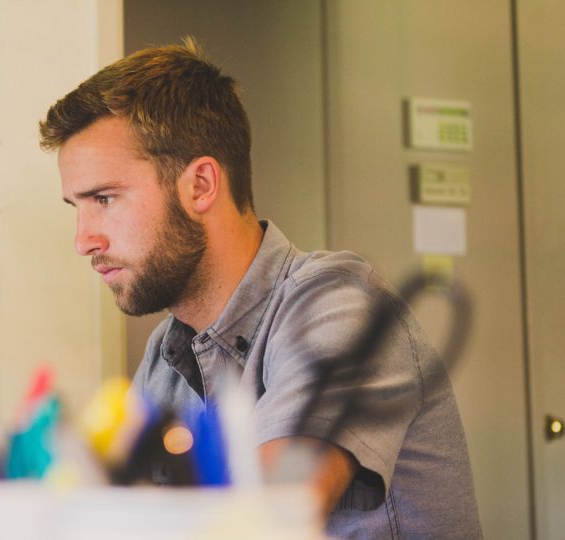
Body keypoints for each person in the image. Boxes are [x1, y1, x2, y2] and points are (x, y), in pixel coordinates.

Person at [39, 38, 482, 538]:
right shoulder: (165, 357)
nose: (84, 240)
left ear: (201, 185)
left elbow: (268, 519)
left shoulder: (340, 305)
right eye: (76, 207)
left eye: (104, 199)